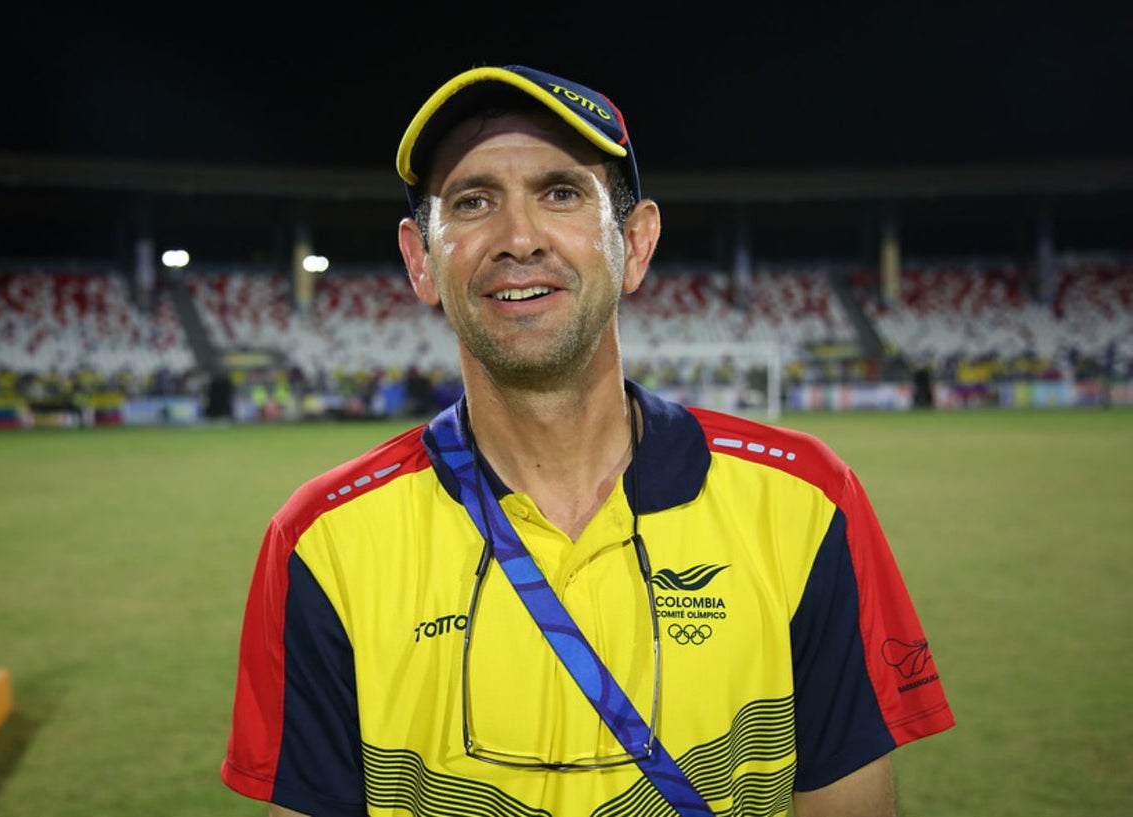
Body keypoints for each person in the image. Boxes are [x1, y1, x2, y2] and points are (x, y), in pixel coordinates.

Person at [221, 64, 955, 817]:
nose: (517, 238)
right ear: (421, 261)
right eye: (473, 201)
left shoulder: (804, 500)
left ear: (635, 245)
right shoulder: (322, 540)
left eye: (562, 192)